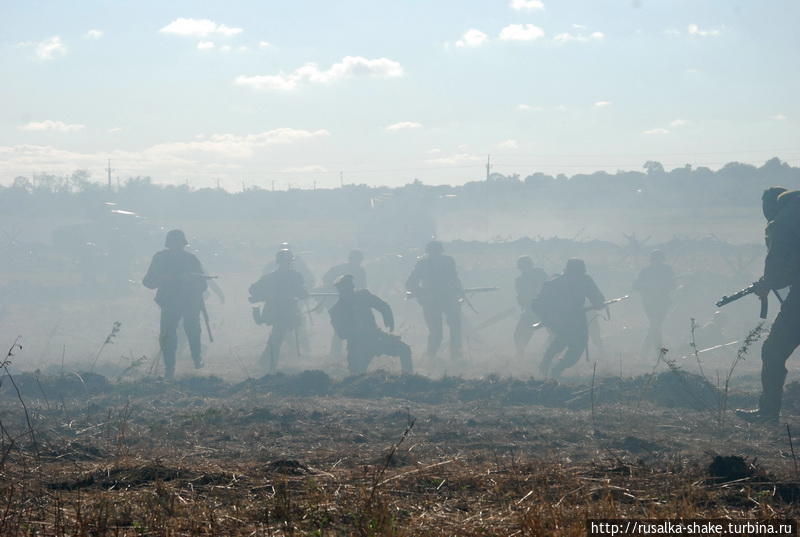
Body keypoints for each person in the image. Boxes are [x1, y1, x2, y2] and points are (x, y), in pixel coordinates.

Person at [737, 187, 800, 423]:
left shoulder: (783, 223)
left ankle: (768, 412)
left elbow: (780, 268)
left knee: (773, 352)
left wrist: (767, 283)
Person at [142, 229, 208, 379]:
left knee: (193, 330)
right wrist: (173, 279)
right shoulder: (160, 259)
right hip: (170, 302)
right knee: (167, 335)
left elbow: (203, 284)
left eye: (179, 243)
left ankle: (197, 358)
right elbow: (148, 281)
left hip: (190, 301)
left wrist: (192, 282)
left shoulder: (192, 259)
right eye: (174, 243)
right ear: (168, 244)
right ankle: (169, 368)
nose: (177, 246)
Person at [533, 258, 606, 379]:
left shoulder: (583, 280)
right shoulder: (556, 282)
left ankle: (553, 367)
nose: (577, 276)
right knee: (568, 343)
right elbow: (539, 303)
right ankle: (549, 366)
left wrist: (599, 303)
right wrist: (550, 317)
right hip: (562, 318)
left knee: (570, 344)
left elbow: (597, 299)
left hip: (575, 318)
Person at [329, 274, 412, 375]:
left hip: (376, 338)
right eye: (347, 290)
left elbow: (383, 306)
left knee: (404, 350)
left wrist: (388, 318)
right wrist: (358, 331)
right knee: (356, 374)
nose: (350, 292)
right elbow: (342, 334)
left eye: (351, 288)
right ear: (341, 291)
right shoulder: (336, 310)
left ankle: (408, 378)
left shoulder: (363, 296)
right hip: (357, 346)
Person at [249, 249, 307, 374]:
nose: (286, 264)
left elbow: (253, 289)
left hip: (280, 312)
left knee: (276, 336)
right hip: (283, 312)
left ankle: (265, 362)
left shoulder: (272, 277)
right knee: (277, 338)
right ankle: (270, 366)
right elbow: (254, 290)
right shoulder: (294, 276)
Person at [406, 241, 464, 361]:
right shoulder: (424, 264)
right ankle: (431, 357)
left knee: (454, 328)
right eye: (434, 252)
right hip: (432, 301)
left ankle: (455, 355)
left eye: (436, 252)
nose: (435, 254)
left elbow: (454, 279)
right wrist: (420, 294)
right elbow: (411, 283)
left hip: (446, 300)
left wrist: (458, 291)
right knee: (437, 333)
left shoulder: (447, 261)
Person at [322, 250, 368, 358]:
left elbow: (363, 287)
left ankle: (353, 354)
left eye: (358, 260)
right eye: (355, 259)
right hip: (341, 303)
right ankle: (335, 355)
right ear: (351, 259)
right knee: (339, 329)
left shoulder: (361, 271)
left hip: (354, 304)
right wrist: (334, 289)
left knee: (356, 329)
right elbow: (326, 278)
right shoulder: (340, 269)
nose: (357, 262)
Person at [633, 250, 676, 354]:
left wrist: (663, 286)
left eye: (659, 259)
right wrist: (649, 286)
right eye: (656, 259)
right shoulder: (645, 271)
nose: (658, 262)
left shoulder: (667, 270)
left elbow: (673, 285)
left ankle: (646, 352)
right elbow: (636, 286)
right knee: (655, 326)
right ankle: (656, 353)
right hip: (649, 303)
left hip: (662, 302)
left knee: (655, 327)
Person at [513, 256, 548, 357]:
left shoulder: (541, 274)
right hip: (530, 311)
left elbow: (549, 289)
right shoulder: (519, 280)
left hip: (544, 309)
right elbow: (521, 297)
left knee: (555, 335)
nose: (525, 269)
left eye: (526, 266)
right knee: (518, 335)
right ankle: (520, 354)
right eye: (523, 267)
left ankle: (545, 352)